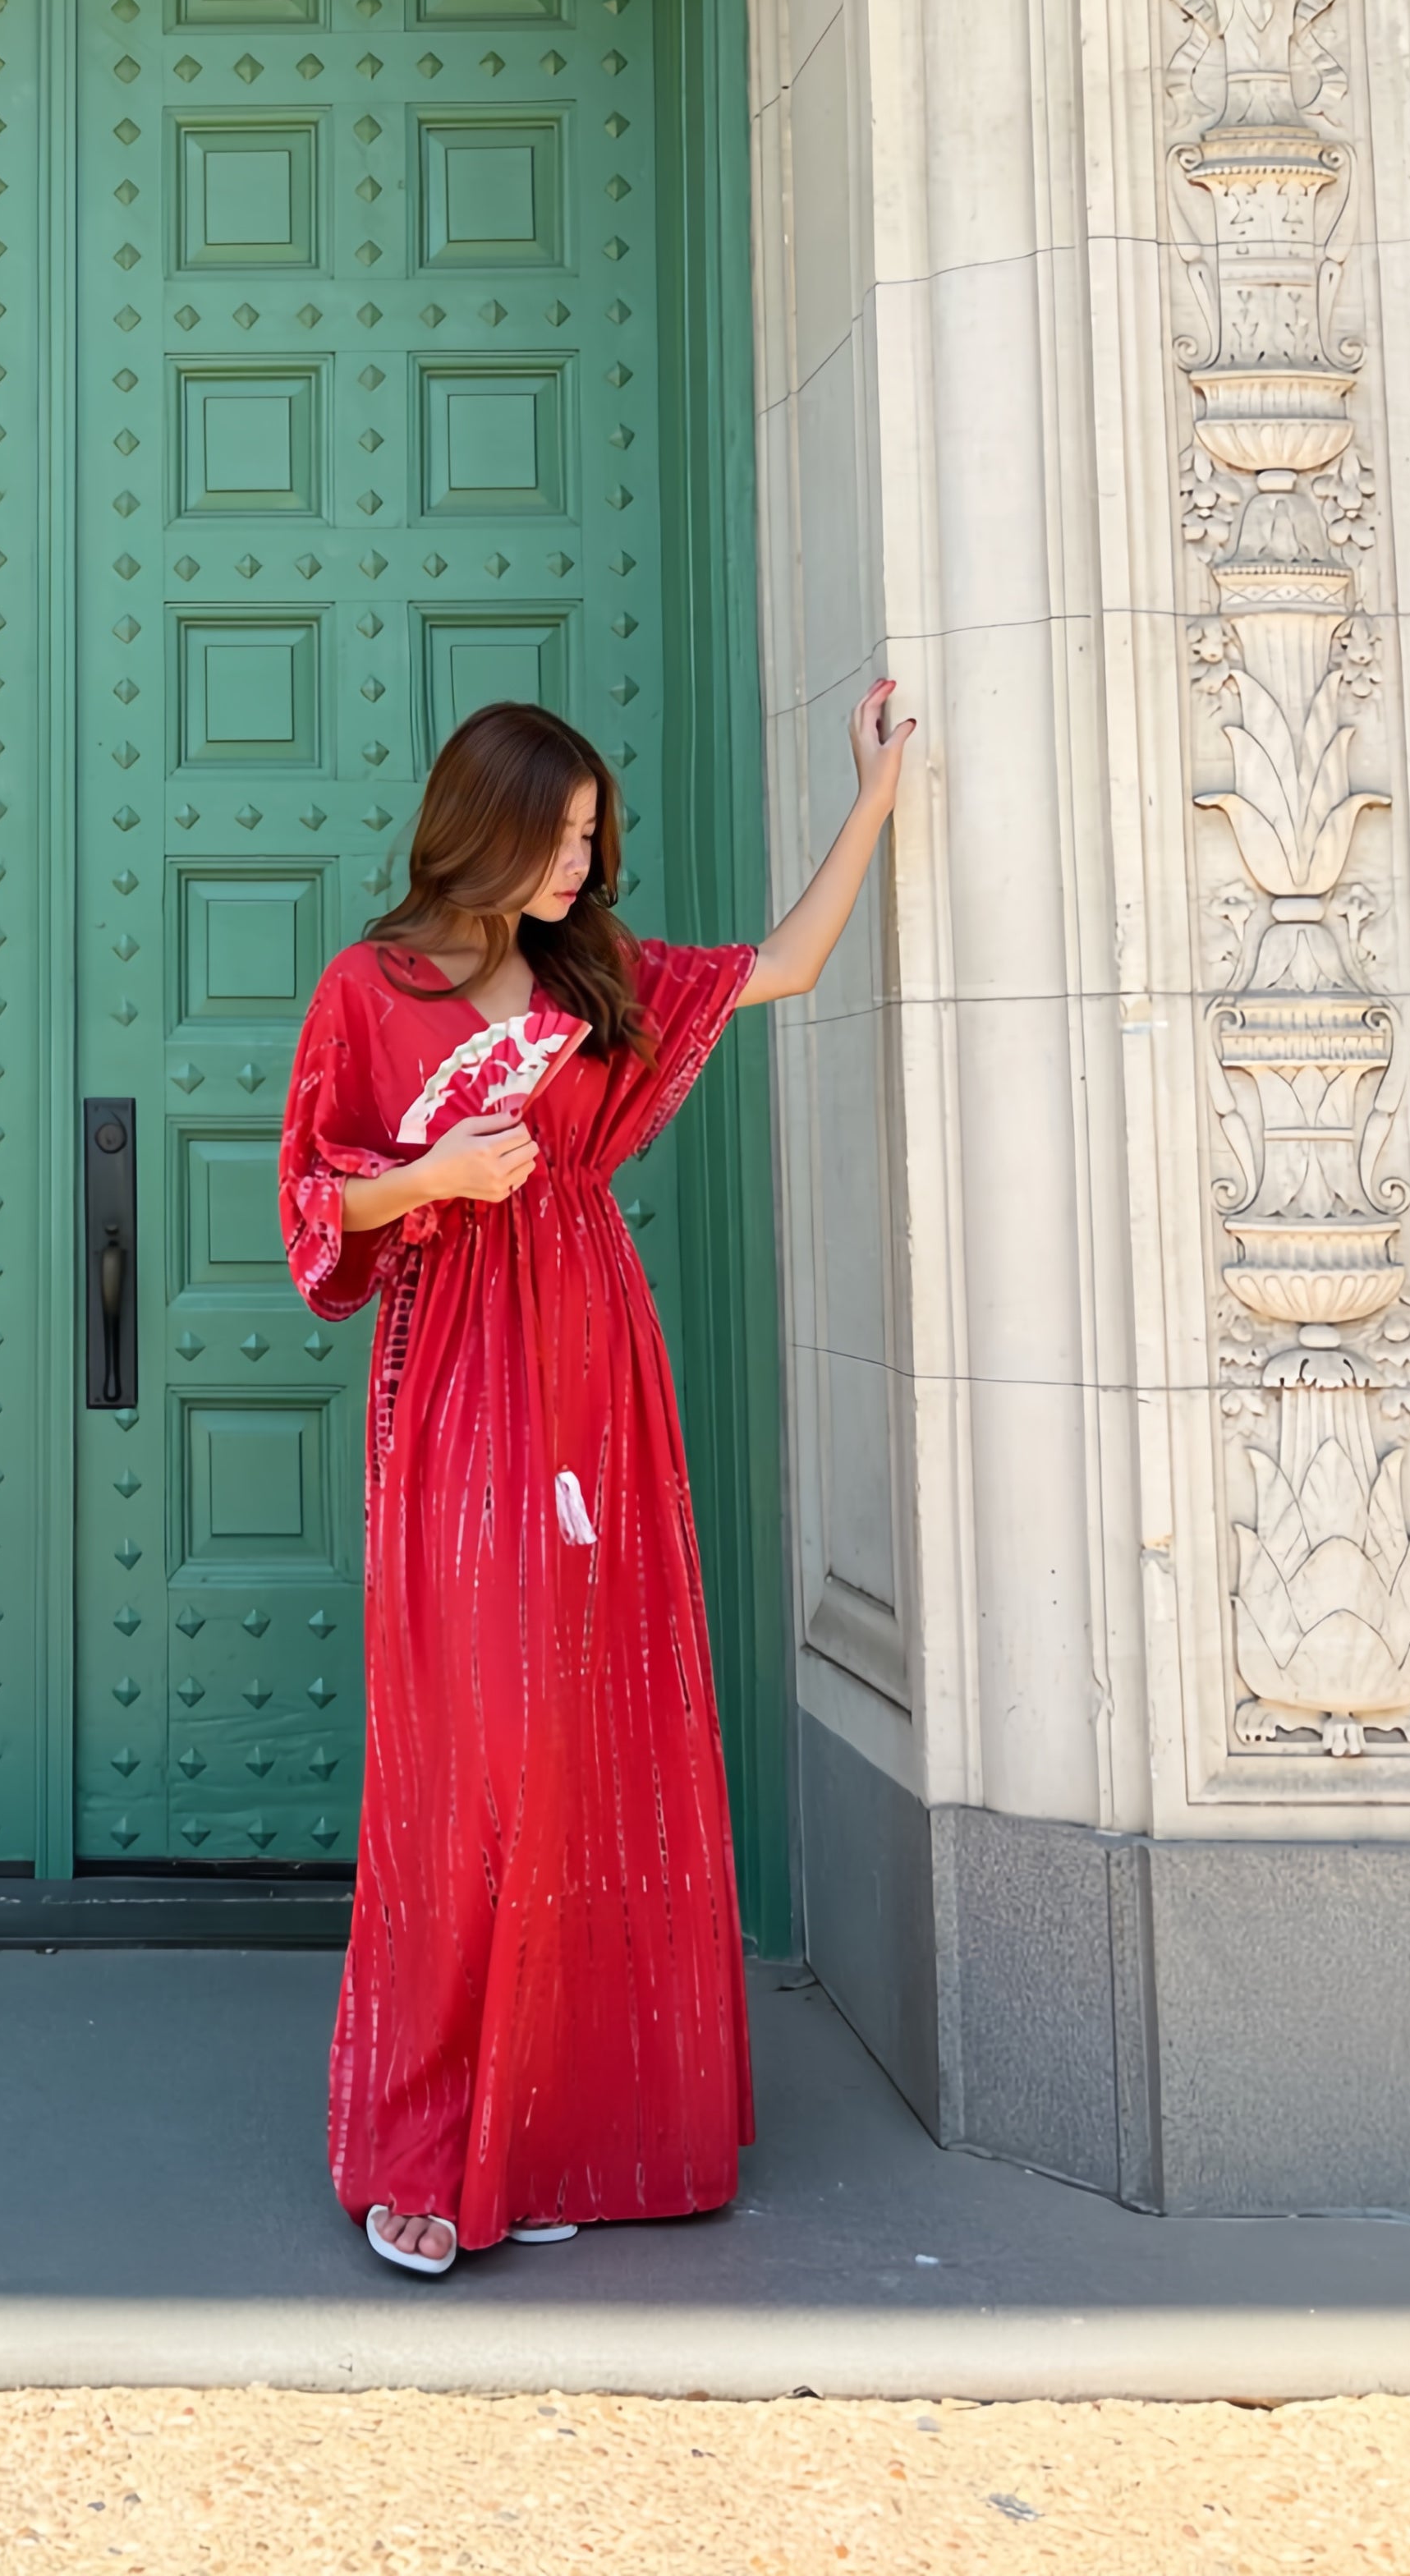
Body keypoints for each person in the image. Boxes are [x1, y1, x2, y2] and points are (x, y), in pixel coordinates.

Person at [278, 683, 916, 2278]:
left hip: (591, 1371)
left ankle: (563, 2132)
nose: (583, 865)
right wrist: (429, 1173)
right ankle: (436, 2134)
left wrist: (875, 796)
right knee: (473, 1749)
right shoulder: (369, 990)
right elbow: (309, 1201)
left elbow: (787, 963)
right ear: (483, 827)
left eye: (592, 839)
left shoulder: (593, 977)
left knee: (590, 1727)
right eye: (562, 837)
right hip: (455, 1384)